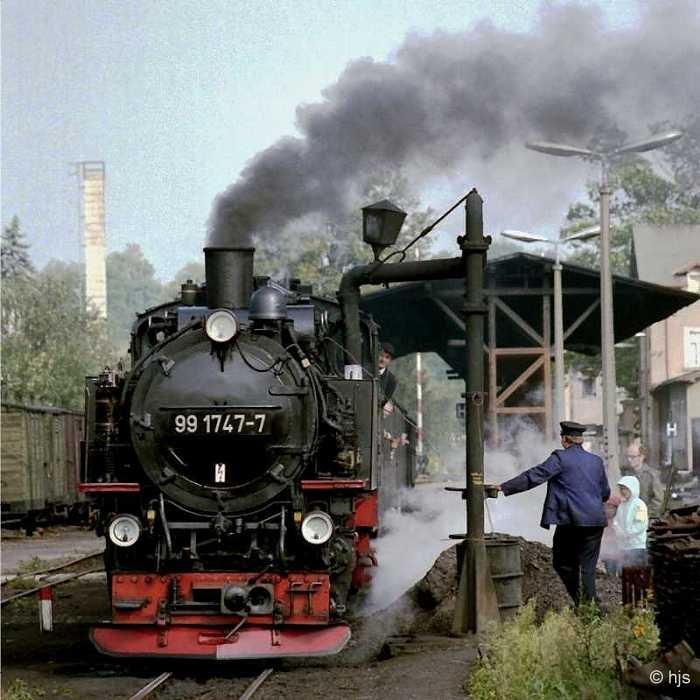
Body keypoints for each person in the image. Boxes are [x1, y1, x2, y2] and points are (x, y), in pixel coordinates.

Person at [490, 421, 610, 606]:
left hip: (571, 522)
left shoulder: (560, 458)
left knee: (561, 562)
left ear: (564, 439)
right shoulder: (596, 461)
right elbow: (605, 493)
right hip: (595, 522)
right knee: (588, 569)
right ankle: (590, 610)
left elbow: (534, 476)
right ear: (580, 440)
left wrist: (503, 487)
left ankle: (580, 603)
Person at [613, 475, 649, 567]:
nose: (622, 491)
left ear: (632, 488)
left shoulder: (639, 505)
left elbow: (641, 524)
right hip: (623, 546)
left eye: (625, 489)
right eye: (621, 488)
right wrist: (618, 530)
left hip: (636, 545)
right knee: (625, 573)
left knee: (636, 573)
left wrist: (627, 533)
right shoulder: (622, 505)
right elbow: (616, 521)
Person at [623, 444, 663, 518]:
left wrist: (644, 514)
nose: (629, 459)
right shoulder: (627, 475)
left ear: (641, 457)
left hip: (648, 519)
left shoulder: (651, 475)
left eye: (632, 457)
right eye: (628, 456)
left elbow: (658, 500)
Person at [378, 342, 397, 409]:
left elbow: (384, 402)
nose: (383, 360)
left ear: (390, 361)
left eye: (387, 357)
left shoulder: (391, 380)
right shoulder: (366, 372)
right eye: (381, 355)